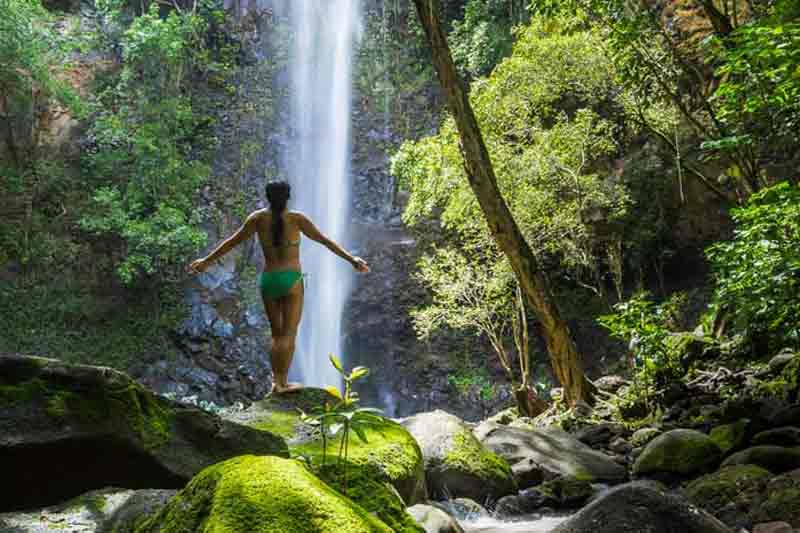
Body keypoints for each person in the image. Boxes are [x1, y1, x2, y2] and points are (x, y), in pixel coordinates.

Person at [188, 180, 369, 393]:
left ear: (267, 197)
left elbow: (232, 242)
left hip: (269, 280)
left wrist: (206, 261)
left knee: (276, 334)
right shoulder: (297, 219)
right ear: (288, 197)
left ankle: (276, 382)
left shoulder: (256, 219)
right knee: (289, 335)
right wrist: (352, 260)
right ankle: (283, 383)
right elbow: (325, 240)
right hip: (291, 280)